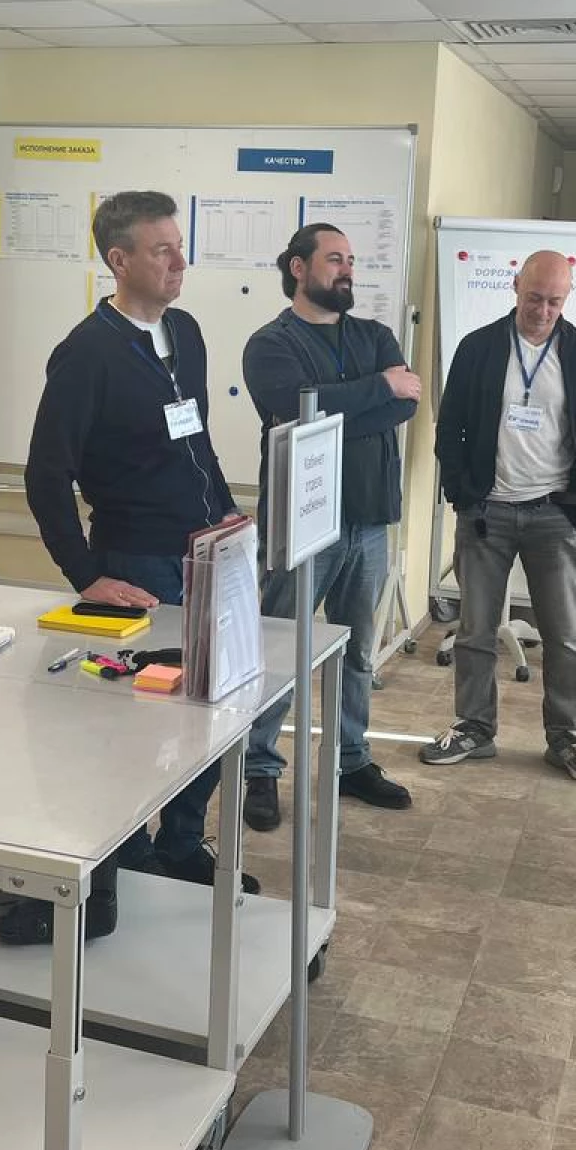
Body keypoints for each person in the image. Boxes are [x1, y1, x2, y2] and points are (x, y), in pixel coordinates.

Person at [25, 190, 254, 897]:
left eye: (179, 247)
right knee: (137, 726)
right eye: (163, 250)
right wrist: (85, 574)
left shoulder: (185, 331)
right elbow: (45, 474)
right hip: (137, 562)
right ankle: (128, 852)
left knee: (210, 712)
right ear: (120, 261)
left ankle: (181, 842)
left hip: (206, 553)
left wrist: (226, 511)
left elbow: (197, 437)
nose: (180, 262)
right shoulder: (87, 353)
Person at [240, 224, 414, 831]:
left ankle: (350, 759)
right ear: (298, 267)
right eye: (335, 258)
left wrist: (336, 408)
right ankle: (259, 768)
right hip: (301, 523)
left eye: (351, 260)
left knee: (358, 652)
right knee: (280, 650)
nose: (347, 269)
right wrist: (378, 390)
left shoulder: (375, 335)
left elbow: (406, 402)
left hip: (369, 521)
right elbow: (294, 407)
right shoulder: (271, 344)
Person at [421, 250, 576, 786]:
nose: (543, 311)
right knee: (475, 629)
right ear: (515, 287)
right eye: (534, 298)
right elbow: (450, 426)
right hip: (487, 511)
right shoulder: (479, 347)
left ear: (567, 298)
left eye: (554, 301)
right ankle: (474, 727)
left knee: (566, 632)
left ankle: (568, 735)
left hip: (553, 512)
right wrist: (464, 495)